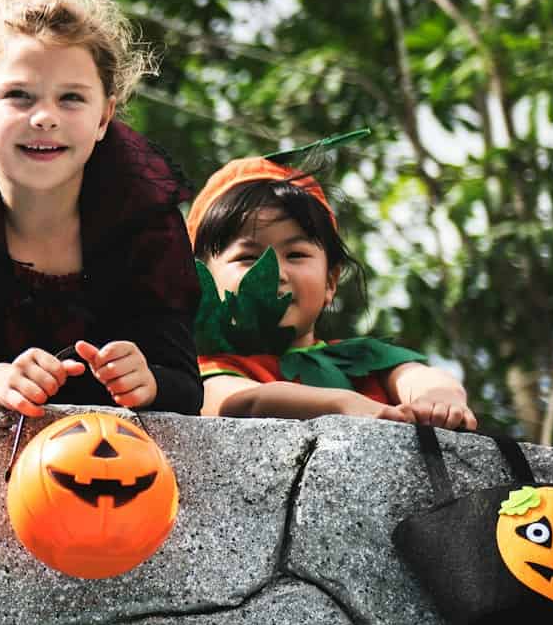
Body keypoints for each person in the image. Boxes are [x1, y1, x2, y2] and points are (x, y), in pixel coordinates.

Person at [0, 0, 199, 417]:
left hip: (118, 456)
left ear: (104, 117)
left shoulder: (145, 219)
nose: (46, 117)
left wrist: (148, 381)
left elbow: (185, 384)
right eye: (19, 95)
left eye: (71, 98)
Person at [187, 150, 475, 428]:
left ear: (330, 282)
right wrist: (340, 405)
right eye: (248, 258)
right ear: (201, 282)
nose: (276, 274)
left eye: (296, 255)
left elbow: (418, 378)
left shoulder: (361, 358)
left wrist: (438, 400)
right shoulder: (208, 368)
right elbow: (241, 400)